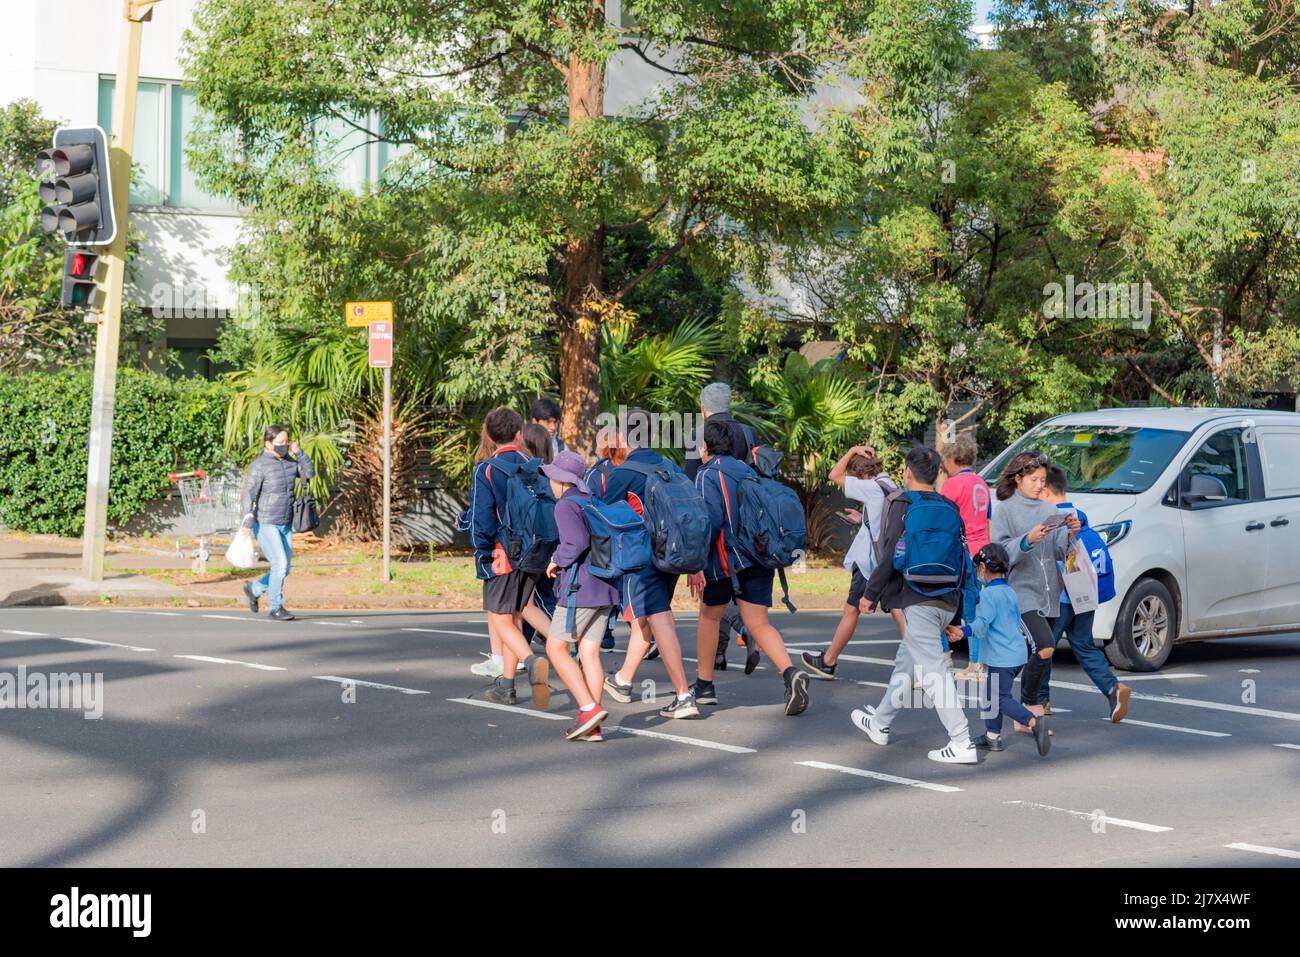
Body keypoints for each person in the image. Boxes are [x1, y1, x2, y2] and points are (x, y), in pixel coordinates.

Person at [848, 446, 979, 764]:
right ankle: (880, 723)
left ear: (907, 472)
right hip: (947, 597)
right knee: (907, 663)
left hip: (916, 597)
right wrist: (958, 613)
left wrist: (870, 594)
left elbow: (890, 552)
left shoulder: (902, 503)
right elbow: (962, 559)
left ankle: (962, 741)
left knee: (934, 672)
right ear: (936, 474)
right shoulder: (949, 506)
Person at [687, 418, 811, 715]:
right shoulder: (749, 471)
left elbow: (711, 521)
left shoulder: (707, 475)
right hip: (758, 557)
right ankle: (791, 674)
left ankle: (704, 686)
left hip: (724, 561)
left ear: (705, 446)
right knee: (758, 623)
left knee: (709, 617)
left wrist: (695, 563)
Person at [597, 411, 699, 719]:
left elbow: (604, 516)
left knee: (661, 621)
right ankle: (623, 680)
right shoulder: (669, 467)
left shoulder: (623, 473)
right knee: (651, 618)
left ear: (623, 438)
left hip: (641, 559)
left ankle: (683, 695)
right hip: (672, 555)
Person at [801, 443, 906, 680]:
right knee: (898, 610)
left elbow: (833, 475)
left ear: (862, 474)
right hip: (887, 559)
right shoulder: (890, 485)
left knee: (851, 610)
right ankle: (923, 665)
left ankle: (828, 661)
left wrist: (851, 451)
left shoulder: (870, 486)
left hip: (868, 562)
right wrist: (864, 519)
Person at [469, 407, 551, 707]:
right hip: (535, 551)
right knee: (516, 614)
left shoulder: (487, 469)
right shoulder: (536, 466)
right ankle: (507, 685)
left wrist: (483, 550)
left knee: (500, 617)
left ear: (490, 437)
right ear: (519, 434)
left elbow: (482, 519)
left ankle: (530, 662)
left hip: (503, 553)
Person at [988, 451, 1080, 721]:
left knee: (1033, 653)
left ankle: (999, 694)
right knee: (1045, 646)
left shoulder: (1050, 509)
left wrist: (1070, 532)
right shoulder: (1004, 509)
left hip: (1050, 591)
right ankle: (1029, 707)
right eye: (1034, 479)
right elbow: (1000, 554)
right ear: (1018, 478)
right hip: (1020, 591)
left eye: (1042, 479)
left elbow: (1059, 551)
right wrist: (1027, 540)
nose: (1041, 485)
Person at [1038, 466, 1132, 722]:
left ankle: (1041, 700)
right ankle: (1113, 689)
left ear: (1046, 490)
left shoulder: (1051, 519)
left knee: (1044, 647)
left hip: (1059, 596)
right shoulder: (1079, 516)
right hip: (1084, 593)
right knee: (1084, 645)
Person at [945, 544, 1050, 756]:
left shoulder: (989, 595)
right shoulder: (1010, 592)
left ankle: (1034, 722)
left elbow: (982, 624)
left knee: (1000, 698)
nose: (977, 574)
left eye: (977, 569)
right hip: (1016, 653)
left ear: (983, 567)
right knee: (991, 696)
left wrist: (962, 631)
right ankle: (992, 736)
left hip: (1002, 657)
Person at [684, 381, 760, 670]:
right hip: (748, 521)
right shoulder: (748, 432)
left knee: (714, 589)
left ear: (703, 408)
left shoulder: (699, 436)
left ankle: (739, 631)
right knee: (731, 585)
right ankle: (719, 652)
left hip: (716, 516)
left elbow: (692, 481)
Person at [542, 451, 617, 742]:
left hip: (579, 589)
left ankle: (587, 708)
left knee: (555, 648)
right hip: (606, 587)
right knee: (589, 653)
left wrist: (555, 559)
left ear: (560, 480)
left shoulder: (565, 506)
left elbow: (575, 543)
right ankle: (592, 726)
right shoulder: (591, 501)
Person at [238, 424, 315, 621]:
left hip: (285, 521)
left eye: (286, 442)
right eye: (279, 443)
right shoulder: (259, 465)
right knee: (279, 564)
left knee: (284, 568)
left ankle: (254, 589)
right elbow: (250, 493)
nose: (284, 446)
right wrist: (247, 520)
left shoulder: (290, 462)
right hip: (265, 521)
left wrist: (298, 452)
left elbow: (309, 473)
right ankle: (276, 607)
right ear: (268, 444)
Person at [939, 434, 993, 681]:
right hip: (981, 551)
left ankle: (944, 658)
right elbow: (987, 521)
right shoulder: (982, 484)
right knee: (974, 611)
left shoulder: (951, 485)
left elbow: (945, 520)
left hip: (959, 553)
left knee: (943, 607)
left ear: (952, 458)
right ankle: (976, 663)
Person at [520, 423, 558, 651]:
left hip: (535, 546)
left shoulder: (530, 478)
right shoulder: (553, 475)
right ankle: (522, 645)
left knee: (538, 599)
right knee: (534, 599)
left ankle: (569, 645)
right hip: (554, 542)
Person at [585, 424, 620, 654]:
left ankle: (604, 632)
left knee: (604, 582)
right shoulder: (627, 469)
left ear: (600, 446)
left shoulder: (594, 474)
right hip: (627, 535)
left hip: (602, 537)